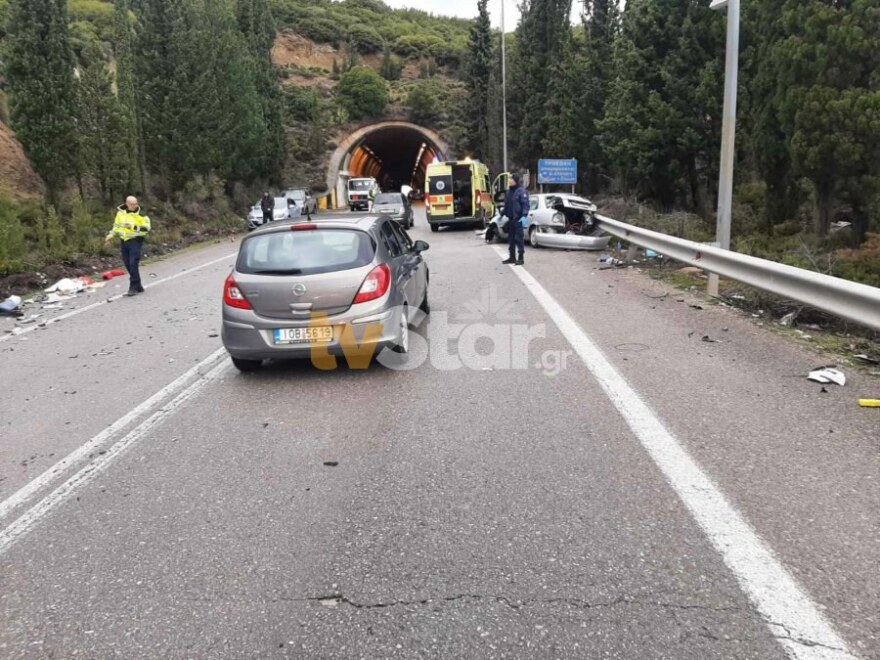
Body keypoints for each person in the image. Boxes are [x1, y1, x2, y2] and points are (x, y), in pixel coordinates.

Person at [104, 196, 151, 297]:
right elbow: (116, 226)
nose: (134, 206)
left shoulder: (142, 214)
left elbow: (146, 229)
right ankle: (138, 285)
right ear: (127, 204)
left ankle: (133, 287)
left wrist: (133, 227)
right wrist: (111, 235)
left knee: (133, 262)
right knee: (127, 264)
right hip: (124, 241)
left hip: (136, 240)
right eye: (132, 204)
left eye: (135, 204)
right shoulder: (120, 213)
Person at [502, 173, 529, 266]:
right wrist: (502, 214)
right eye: (509, 179)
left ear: (516, 181)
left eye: (511, 179)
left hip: (519, 218)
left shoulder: (521, 191)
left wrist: (524, 216)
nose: (509, 181)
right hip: (511, 219)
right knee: (511, 239)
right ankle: (512, 257)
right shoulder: (508, 192)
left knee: (519, 238)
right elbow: (506, 205)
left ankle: (521, 258)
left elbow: (525, 204)